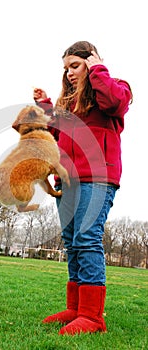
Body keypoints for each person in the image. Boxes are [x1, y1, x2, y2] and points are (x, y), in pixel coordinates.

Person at [33, 41, 132, 335]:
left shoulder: (114, 88)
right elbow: (58, 133)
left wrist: (98, 68)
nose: (69, 73)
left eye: (75, 65)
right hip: (67, 181)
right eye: (66, 69)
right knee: (73, 241)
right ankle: (75, 309)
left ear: (91, 62)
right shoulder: (69, 104)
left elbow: (116, 102)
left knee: (87, 238)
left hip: (97, 178)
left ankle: (92, 316)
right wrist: (47, 107)